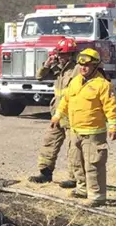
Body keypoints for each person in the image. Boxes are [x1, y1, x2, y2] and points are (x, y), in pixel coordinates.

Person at [51, 48, 116, 206]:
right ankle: (82, 189)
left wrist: (114, 126)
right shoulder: (75, 81)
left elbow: (111, 107)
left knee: (93, 165)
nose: (83, 68)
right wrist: (57, 115)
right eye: (81, 65)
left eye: (87, 65)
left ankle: (97, 196)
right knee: (77, 163)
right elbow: (65, 100)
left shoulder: (103, 85)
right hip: (75, 131)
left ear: (95, 66)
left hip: (93, 133)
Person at [29, 37, 80, 188]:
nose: (60, 57)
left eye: (64, 54)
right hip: (57, 113)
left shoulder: (77, 69)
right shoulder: (58, 69)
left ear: (72, 55)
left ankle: (74, 178)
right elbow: (39, 76)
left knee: (74, 147)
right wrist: (47, 64)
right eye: (59, 54)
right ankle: (45, 173)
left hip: (72, 114)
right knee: (50, 142)